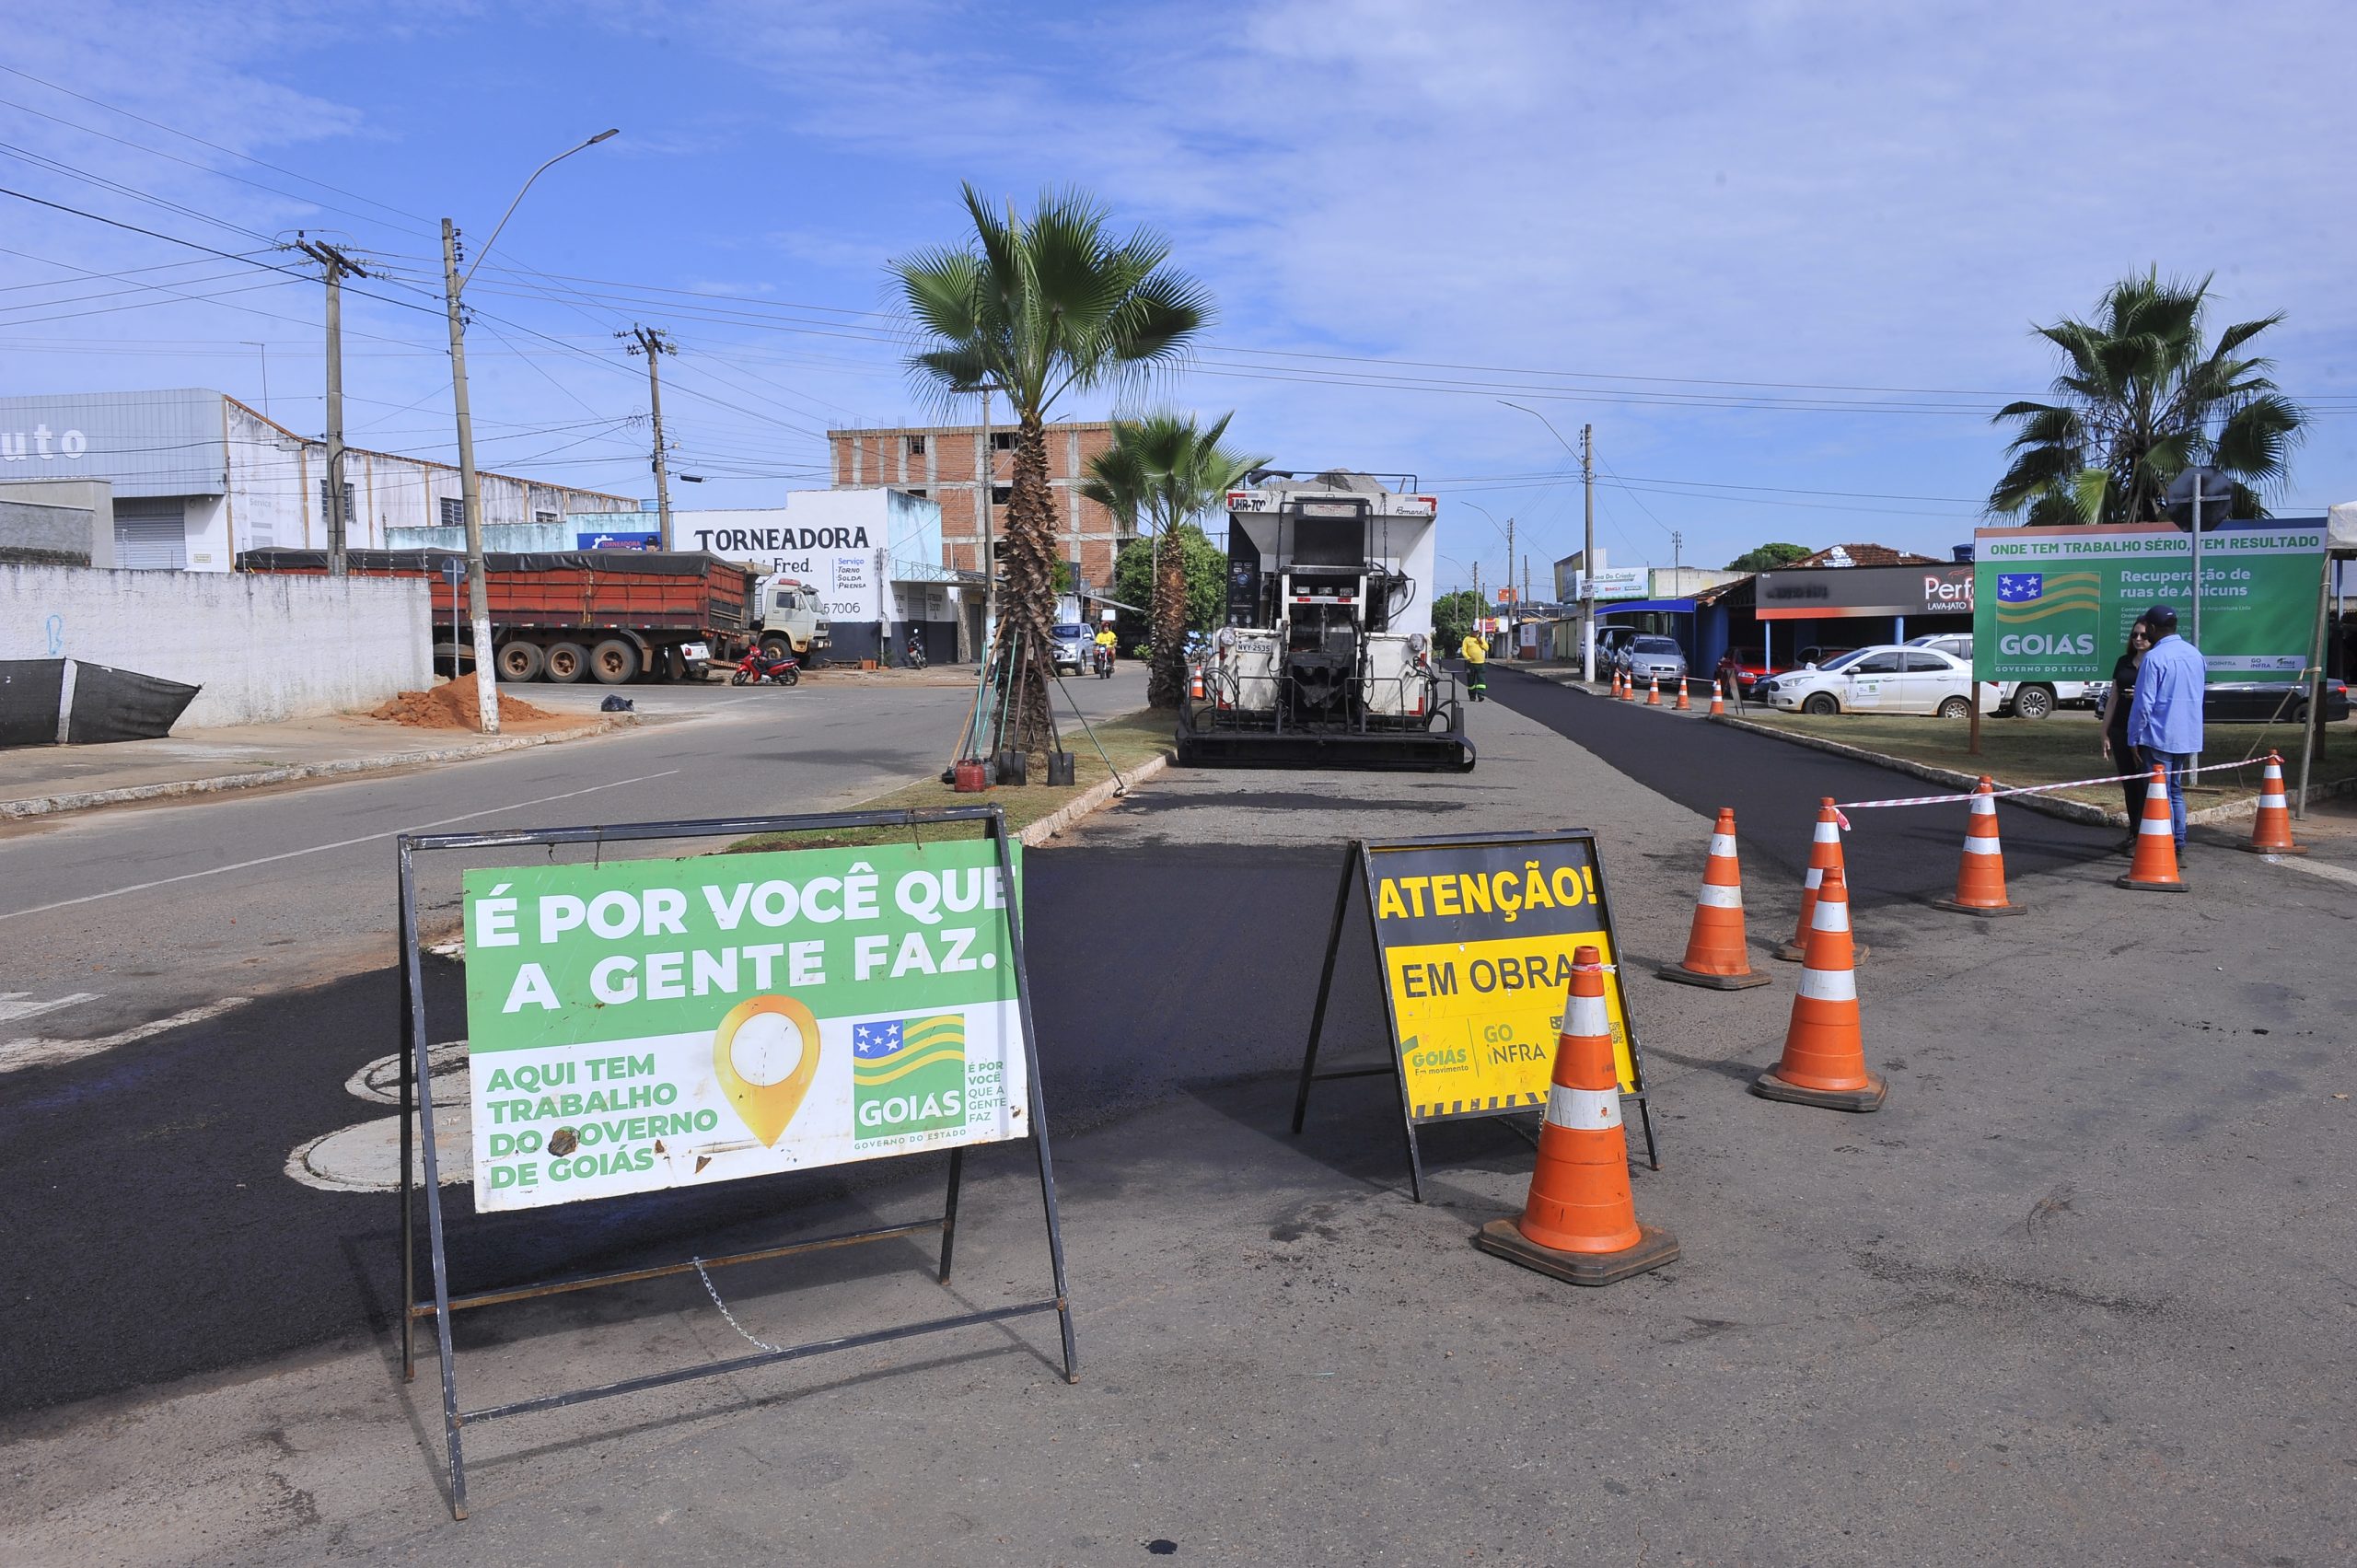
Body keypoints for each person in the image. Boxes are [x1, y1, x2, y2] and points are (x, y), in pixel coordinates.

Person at [2126, 603, 2203, 854]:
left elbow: (2143, 704)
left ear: (2151, 627)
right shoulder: (2195, 655)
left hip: (2158, 735)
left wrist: (2133, 738)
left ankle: (2164, 847)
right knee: (2175, 790)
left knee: (2158, 794)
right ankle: (2178, 844)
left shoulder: (2155, 658)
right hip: (2186, 735)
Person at [2098, 619, 2150, 849]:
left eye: (2143, 636)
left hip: (2146, 732)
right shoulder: (2123, 662)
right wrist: (2105, 731)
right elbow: (2113, 697)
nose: (2138, 639)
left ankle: (2151, 836)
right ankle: (2134, 833)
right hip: (2121, 727)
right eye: (2135, 635)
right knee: (2129, 784)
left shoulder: (2155, 662)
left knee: (2147, 785)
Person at [1459, 628, 1489, 702]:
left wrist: (1481, 642)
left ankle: (1481, 695)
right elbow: (1464, 650)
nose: (1475, 633)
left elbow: (1486, 648)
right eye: (1474, 631)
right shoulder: (1467, 639)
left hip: (1480, 664)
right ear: (1471, 631)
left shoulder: (1480, 639)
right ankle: (1472, 696)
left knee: (1481, 680)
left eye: (1477, 632)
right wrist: (1468, 658)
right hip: (1470, 664)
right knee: (1470, 681)